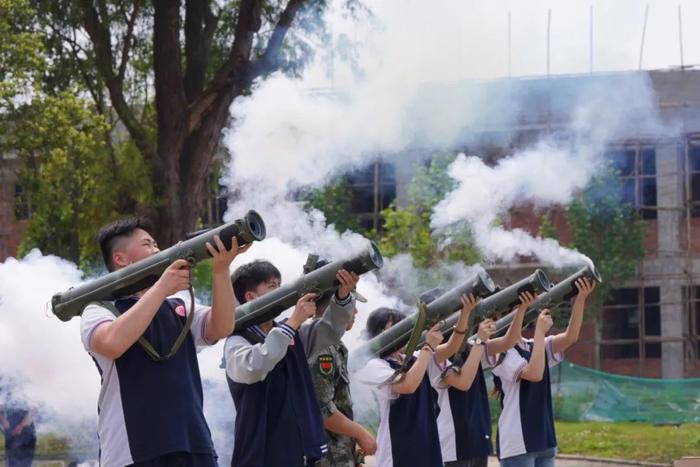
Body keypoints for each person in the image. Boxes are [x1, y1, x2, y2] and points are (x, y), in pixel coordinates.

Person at [80, 217, 246, 467]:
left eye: (156, 243)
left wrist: (221, 269)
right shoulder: (100, 310)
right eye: (147, 243)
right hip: (134, 451)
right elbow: (112, 343)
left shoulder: (178, 305)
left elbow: (222, 326)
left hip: (194, 442)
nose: (157, 249)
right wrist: (160, 289)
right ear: (121, 259)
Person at [224, 260, 359, 467]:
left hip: (295, 448)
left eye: (280, 284)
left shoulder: (292, 334)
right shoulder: (237, 340)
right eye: (272, 286)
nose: (281, 291)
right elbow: (254, 368)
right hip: (260, 452)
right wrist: (293, 323)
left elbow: (329, 331)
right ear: (250, 297)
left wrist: (343, 295)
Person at [492, 278, 596, 467]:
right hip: (517, 443)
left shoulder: (534, 345)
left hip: (544, 439)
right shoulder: (500, 353)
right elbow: (534, 373)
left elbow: (571, 337)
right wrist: (540, 332)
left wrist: (581, 298)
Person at [356, 301, 470, 467]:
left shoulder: (416, 357)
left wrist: (465, 312)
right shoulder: (375, 365)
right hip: (396, 452)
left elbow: (452, 347)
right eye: (392, 328)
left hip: (426, 446)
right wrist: (429, 346)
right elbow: (407, 385)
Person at [435, 292, 536, 467]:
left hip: (477, 441)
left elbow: (508, 341)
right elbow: (463, 382)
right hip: (451, 445)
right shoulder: (436, 357)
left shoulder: (472, 347)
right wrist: (480, 340)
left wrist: (521, 310)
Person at [309, 297, 377, 467]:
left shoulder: (333, 344)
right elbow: (322, 409)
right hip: (325, 457)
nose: (355, 312)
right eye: (351, 304)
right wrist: (360, 433)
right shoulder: (321, 345)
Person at [0, 391, 36, 467]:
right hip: (10, 428)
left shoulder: (27, 388)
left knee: (26, 461)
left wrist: (21, 426)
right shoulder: (5, 387)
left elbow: (32, 410)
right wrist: (4, 421)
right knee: (12, 461)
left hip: (27, 430)